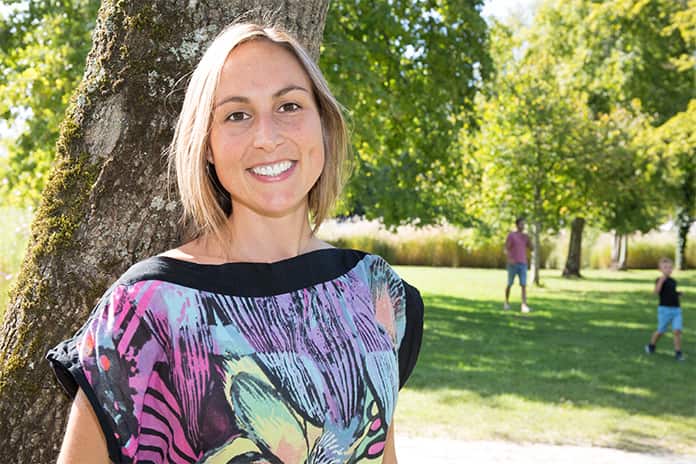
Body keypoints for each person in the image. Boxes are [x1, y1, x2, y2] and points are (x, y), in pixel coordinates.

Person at [46, 22, 424, 464]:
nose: (267, 136)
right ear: (207, 146)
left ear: (322, 122)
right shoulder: (145, 308)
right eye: (237, 115)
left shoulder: (374, 291)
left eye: (289, 105)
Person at [645, 257, 684, 361]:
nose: (668, 269)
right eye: (665, 267)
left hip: (676, 310)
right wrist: (661, 282)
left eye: (670, 267)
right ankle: (651, 345)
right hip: (664, 310)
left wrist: (678, 294)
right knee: (661, 331)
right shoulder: (659, 280)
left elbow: (671, 292)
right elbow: (656, 292)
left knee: (677, 331)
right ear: (660, 269)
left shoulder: (673, 281)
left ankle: (678, 352)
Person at [504, 217, 532, 313]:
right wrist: (509, 259)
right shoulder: (511, 235)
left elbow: (531, 248)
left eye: (524, 224)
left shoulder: (525, 237)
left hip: (523, 263)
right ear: (517, 225)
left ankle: (524, 305)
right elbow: (506, 249)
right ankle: (506, 303)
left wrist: (529, 239)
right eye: (521, 224)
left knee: (523, 284)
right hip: (513, 264)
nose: (523, 226)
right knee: (510, 283)